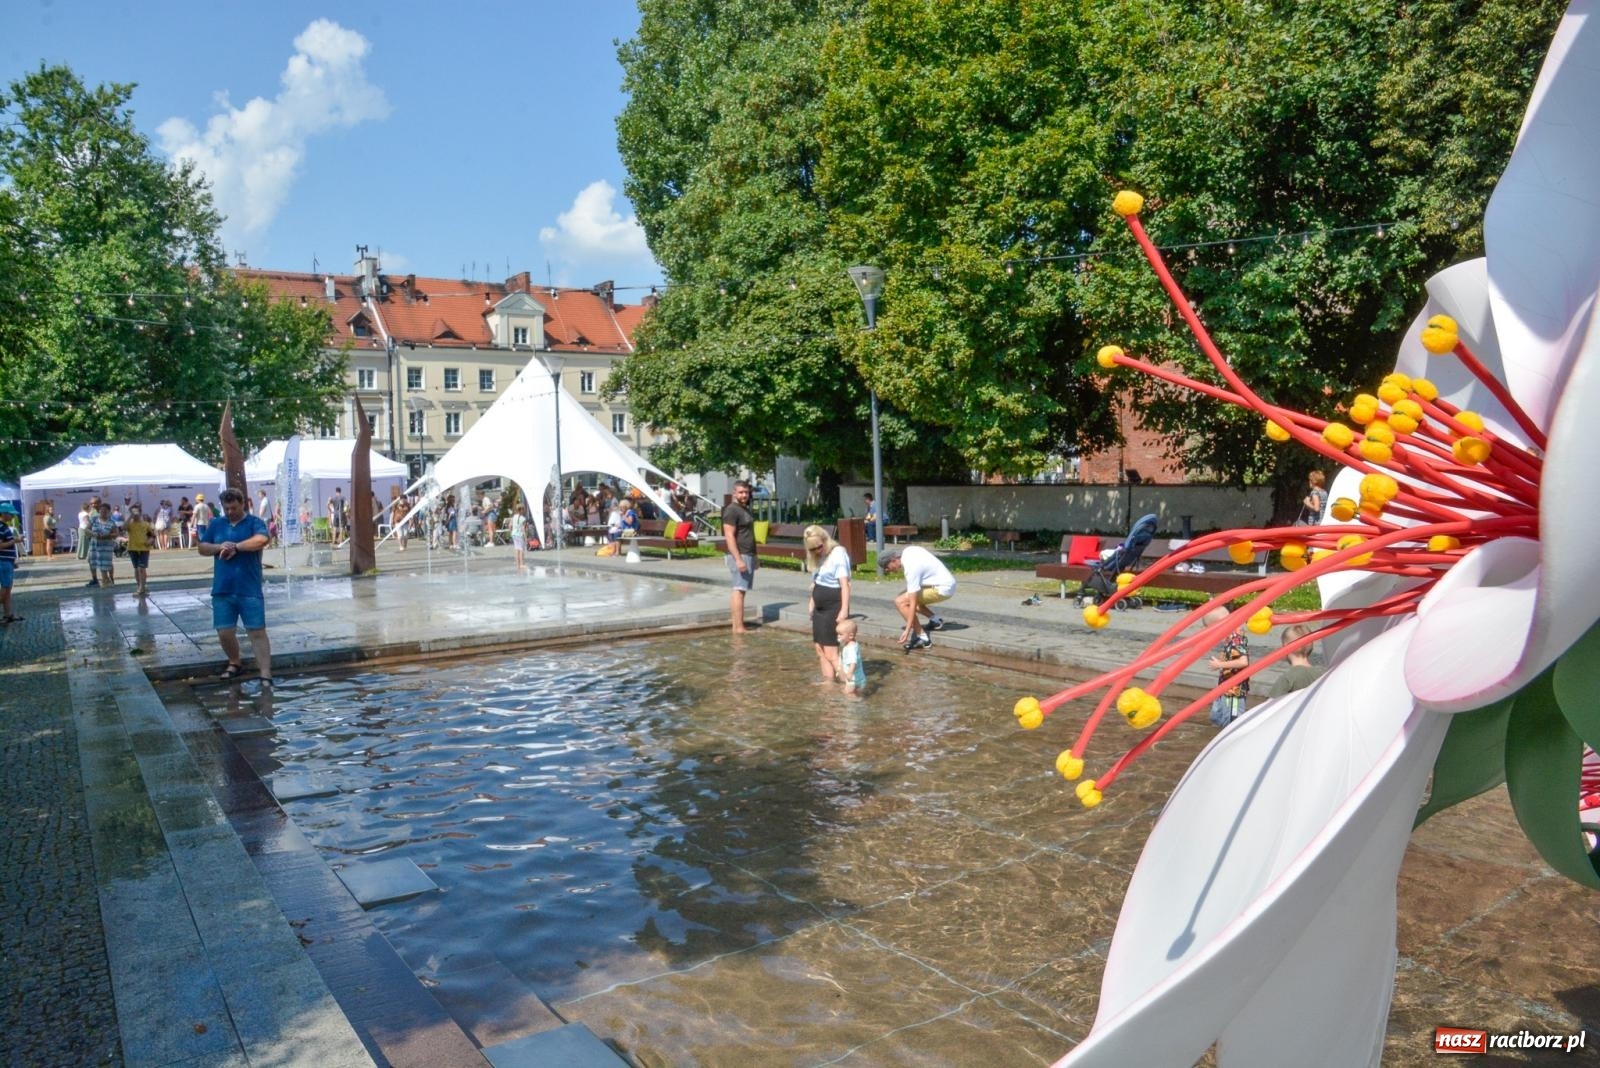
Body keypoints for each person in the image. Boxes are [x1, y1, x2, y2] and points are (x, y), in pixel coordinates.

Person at [198, 487, 273, 687]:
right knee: (224, 631)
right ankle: (234, 662)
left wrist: (235, 547)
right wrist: (219, 547)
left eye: (233, 507)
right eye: (226, 508)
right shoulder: (216, 524)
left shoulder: (254, 522)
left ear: (243, 504)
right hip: (223, 588)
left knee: (257, 631)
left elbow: (262, 540)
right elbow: (202, 547)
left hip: (249, 589)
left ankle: (265, 673)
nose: (230, 511)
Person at [879, 545, 955, 653]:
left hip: (942, 588)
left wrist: (908, 629)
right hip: (945, 581)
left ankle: (923, 638)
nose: (887, 570)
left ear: (893, 560)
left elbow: (913, 603)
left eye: (886, 567)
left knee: (900, 601)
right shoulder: (909, 550)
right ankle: (936, 621)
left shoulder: (910, 569)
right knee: (904, 595)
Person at [804, 524, 853, 682]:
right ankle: (829, 684)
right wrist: (812, 602)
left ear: (825, 539)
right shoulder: (817, 558)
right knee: (820, 649)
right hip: (819, 609)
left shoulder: (838, 553)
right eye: (813, 549)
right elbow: (817, 581)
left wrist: (844, 610)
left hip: (833, 606)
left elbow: (845, 585)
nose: (818, 551)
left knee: (831, 652)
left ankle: (849, 684)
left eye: (819, 546)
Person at [721, 480, 757, 633]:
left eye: (746, 492)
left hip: (747, 554)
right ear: (734, 493)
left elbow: (749, 534)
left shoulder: (744, 509)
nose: (744, 495)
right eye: (741, 492)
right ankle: (738, 627)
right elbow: (729, 536)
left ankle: (738, 626)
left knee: (741, 590)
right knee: (739, 590)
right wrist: (738, 559)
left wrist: (755, 556)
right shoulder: (732, 510)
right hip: (740, 555)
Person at [1206, 606, 1251, 726]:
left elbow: (1243, 662)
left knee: (1232, 723)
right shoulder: (1230, 637)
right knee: (1216, 717)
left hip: (1234, 693)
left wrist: (1220, 664)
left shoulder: (1235, 639)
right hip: (1225, 688)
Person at [1269, 623, 1323, 697]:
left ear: (1285, 647)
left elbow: (1271, 705)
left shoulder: (1287, 679)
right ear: (1311, 647)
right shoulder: (1322, 675)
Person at [124, 502, 154, 597]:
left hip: (143, 549)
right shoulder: (130, 524)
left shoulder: (145, 524)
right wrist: (130, 516)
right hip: (132, 548)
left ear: (140, 513)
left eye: (136, 512)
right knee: (137, 569)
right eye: (133, 513)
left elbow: (152, 536)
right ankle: (140, 586)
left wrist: (150, 541)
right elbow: (123, 527)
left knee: (142, 568)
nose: (135, 515)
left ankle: (142, 587)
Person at [88, 502, 118, 588]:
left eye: (105, 511)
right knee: (93, 561)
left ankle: (109, 579)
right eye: (101, 511)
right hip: (95, 544)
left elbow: (116, 534)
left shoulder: (111, 522)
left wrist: (107, 535)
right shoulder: (94, 519)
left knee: (106, 563)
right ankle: (100, 580)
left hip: (106, 546)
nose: (103, 513)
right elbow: (86, 529)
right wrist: (93, 534)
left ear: (108, 512)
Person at [0, 502, 21, 624]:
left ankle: (8, 615)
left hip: (7, 561)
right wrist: (14, 541)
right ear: (4, 514)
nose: (12, 517)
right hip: (3, 562)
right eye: (11, 514)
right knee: (5, 589)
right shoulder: (1, 527)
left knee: (7, 589)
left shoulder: (4, 526)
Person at [837, 618, 866, 695]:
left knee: (848, 694)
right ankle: (858, 701)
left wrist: (849, 673)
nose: (838, 636)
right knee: (854, 693)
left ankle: (856, 704)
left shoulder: (851, 649)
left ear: (850, 636)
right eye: (838, 634)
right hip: (858, 677)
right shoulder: (852, 644)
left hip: (852, 678)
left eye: (840, 634)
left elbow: (853, 662)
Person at [77, 497, 98, 583]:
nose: (92, 505)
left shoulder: (84, 513)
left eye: (94, 503)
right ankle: (95, 579)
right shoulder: (88, 513)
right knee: (91, 558)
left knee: (101, 559)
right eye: (91, 504)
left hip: (91, 534)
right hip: (91, 534)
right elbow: (87, 524)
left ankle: (102, 579)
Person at [510, 503, 530, 572]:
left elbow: (510, 525)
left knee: (516, 549)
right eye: (523, 509)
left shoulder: (514, 517)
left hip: (514, 534)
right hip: (520, 535)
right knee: (521, 549)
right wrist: (526, 537)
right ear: (521, 510)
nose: (524, 511)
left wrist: (511, 531)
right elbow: (523, 529)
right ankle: (522, 564)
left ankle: (518, 564)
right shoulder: (523, 519)